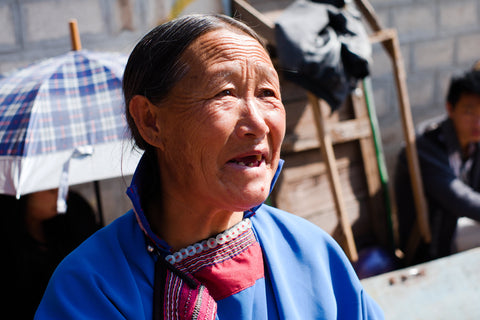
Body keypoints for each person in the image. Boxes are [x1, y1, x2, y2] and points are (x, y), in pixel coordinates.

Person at [35, 14, 383, 319]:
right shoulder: (91, 290)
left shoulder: (312, 252)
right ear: (151, 121)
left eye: (266, 93)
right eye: (225, 93)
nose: (259, 124)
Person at [395, 68, 480, 264]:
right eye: (469, 111)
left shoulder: (475, 143)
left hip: (459, 226)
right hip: (432, 244)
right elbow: (459, 198)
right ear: (450, 108)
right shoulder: (425, 144)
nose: (478, 122)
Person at [0, 189, 99, 319]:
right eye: (52, 191)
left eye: (64, 186)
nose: (63, 195)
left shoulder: (74, 216)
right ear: (25, 193)